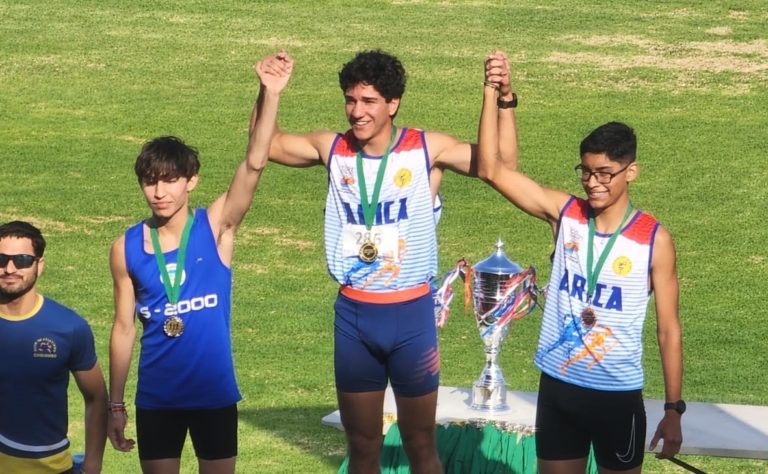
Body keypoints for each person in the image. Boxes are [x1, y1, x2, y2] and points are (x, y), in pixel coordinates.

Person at [256, 49, 517, 473]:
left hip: (410, 318)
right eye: (351, 100)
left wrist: (501, 98)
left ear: (393, 104)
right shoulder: (333, 148)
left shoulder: (424, 149)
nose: (357, 112)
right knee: (361, 445)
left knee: (419, 443)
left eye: (369, 101)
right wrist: (269, 92)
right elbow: (264, 145)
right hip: (354, 317)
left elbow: (498, 165)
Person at [477, 79, 684, 472]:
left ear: (631, 171)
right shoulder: (565, 214)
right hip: (559, 388)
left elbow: (669, 329)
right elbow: (491, 170)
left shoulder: (654, 241)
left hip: (617, 397)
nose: (593, 183)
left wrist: (673, 409)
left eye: (605, 173)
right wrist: (498, 95)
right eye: (586, 172)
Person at [107, 59, 291, 474]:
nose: (159, 191)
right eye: (150, 181)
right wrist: (116, 404)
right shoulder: (126, 247)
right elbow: (123, 328)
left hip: (213, 395)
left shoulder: (217, 227)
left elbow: (255, 164)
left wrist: (269, 94)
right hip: (156, 399)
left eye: (170, 180)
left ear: (191, 181)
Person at [0, 221, 107, 474]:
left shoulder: (68, 327)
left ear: (40, 265)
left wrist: (93, 464)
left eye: (23, 259)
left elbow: (96, 397)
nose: (10, 268)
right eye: (2, 259)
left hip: (50, 467)